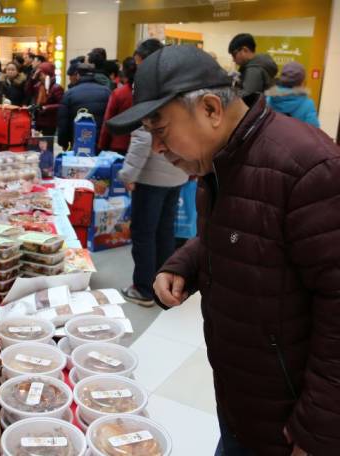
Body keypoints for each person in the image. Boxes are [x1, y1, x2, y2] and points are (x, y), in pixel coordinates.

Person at [109, 44, 340, 456]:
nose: (158, 148)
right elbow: (242, 232)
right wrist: (186, 263)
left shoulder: (308, 168)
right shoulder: (220, 159)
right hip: (243, 401)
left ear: (212, 109)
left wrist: (317, 432)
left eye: (161, 131)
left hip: (292, 424)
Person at [113, 39, 188, 306]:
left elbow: (143, 139)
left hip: (152, 176)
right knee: (165, 230)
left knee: (144, 232)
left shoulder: (151, 88)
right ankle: (164, 285)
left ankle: (144, 288)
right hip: (176, 173)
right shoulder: (177, 83)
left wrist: (128, 174)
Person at [57, 63, 111, 150]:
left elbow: (63, 121)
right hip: (100, 143)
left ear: (78, 75)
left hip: (77, 142)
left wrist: (63, 143)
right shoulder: (106, 92)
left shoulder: (69, 94)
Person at [98, 56, 137, 154]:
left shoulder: (119, 93)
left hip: (118, 146)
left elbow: (108, 121)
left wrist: (102, 145)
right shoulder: (148, 93)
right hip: (142, 147)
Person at [266, 61, 320, 127]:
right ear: (302, 82)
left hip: (270, 137)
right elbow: (314, 132)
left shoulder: (268, 100)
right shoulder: (307, 105)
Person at [29, 62, 64, 136]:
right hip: (38, 120)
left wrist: (46, 107)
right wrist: (33, 78)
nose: (39, 77)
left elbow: (62, 104)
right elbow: (28, 91)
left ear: (48, 74)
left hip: (49, 122)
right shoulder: (38, 86)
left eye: (41, 74)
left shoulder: (56, 88)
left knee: (46, 144)